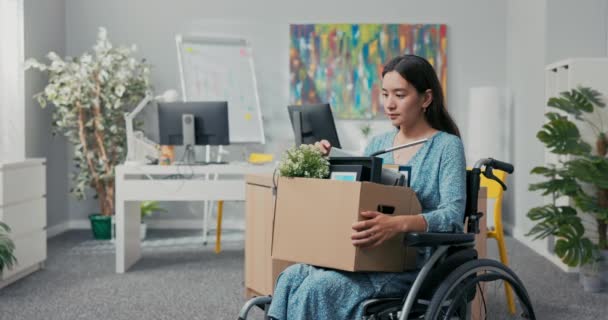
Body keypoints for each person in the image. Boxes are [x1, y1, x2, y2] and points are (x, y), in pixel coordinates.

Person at [267, 54, 466, 320]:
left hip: (411, 264)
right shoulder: (378, 145)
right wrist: (326, 160)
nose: (390, 104)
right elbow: (354, 198)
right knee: (290, 276)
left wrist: (397, 224)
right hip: (367, 255)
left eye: (400, 94)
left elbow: (452, 215)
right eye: (385, 94)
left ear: (426, 99)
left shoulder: (447, 146)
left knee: (319, 288)